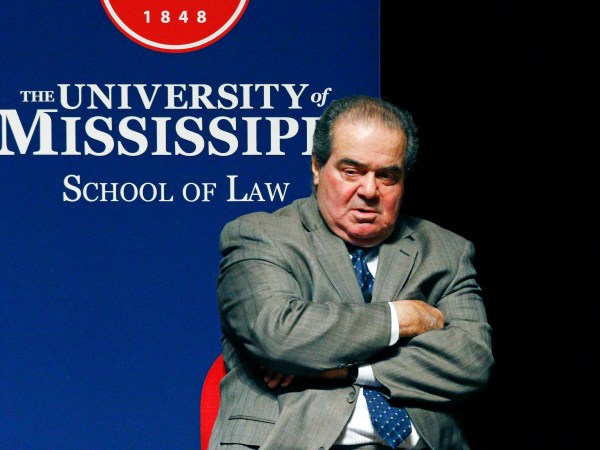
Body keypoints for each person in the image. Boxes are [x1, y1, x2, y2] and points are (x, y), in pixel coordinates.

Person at [209, 95, 494, 450]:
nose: (369, 191)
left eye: (387, 176)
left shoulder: (446, 251)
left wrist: (347, 369)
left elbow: (472, 361)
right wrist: (400, 319)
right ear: (317, 167)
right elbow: (280, 335)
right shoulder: (260, 236)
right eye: (352, 172)